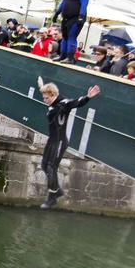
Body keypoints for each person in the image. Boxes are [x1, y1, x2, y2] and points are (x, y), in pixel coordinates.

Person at [37, 76, 101, 209]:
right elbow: (46, 92)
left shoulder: (63, 103)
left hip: (59, 141)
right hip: (52, 140)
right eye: (43, 98)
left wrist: (87, 97)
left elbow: (76, 102)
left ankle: (52, 197)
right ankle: (58, 190)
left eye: (46, 98)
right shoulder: (51, 101)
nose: (44, 101)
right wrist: (42, 87)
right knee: (43, 165)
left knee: (51, 168)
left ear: (53, 95)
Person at [54, 0, 89, 64]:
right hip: (66, 18)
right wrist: (57, 13)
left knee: (71, 36)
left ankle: (70, 57)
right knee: (65, 36)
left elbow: (84, 4)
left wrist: (81, 16)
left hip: (76, 18)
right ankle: (63, 55)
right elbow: (63, 2)